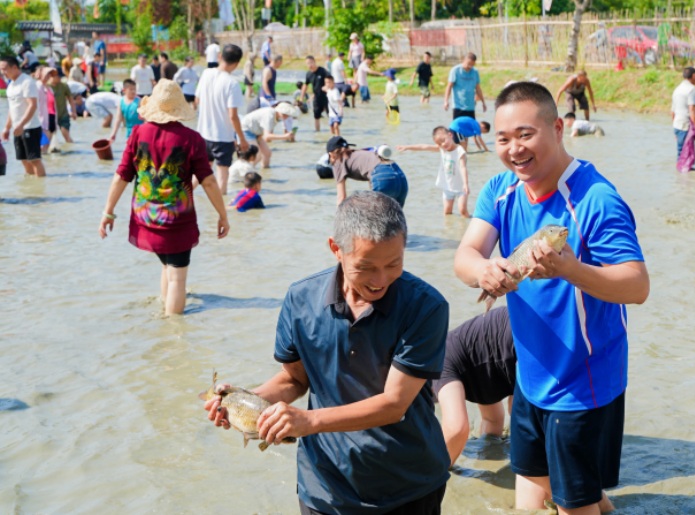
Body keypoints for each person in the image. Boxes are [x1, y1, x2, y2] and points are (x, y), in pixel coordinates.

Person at [454, 81, 649, 513]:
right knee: (531, 502)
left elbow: (637, 285)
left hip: (585, 385)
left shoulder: (596, 199)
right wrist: (486, 272)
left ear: (557, 129)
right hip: (530, 377)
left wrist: (569, 269)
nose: (514, 149)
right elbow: (465, 256)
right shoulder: (500, 190)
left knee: (572, 505)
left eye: (526, 134)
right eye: (503, 139)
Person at [203, 190, 451, 514]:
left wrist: (309, 420)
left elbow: (394, 405)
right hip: (324, 487)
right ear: (336, 249)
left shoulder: (426, 307)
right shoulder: (301, 299)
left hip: (407, 485)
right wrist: (244, 402)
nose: (380, 280)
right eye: (365, 267)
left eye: (394, 263)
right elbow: (294, 380)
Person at [99, 80, 229, 315]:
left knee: (167, 267)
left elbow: (121, 176)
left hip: (146, 216)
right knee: (178, 278)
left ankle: (163, 311)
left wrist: (108, 212)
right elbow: (208, 181)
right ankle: (173, 335)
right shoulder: (191, 139)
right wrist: (223, 215)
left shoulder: (138, 133)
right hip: (177, 220)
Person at [433, 306, 515, 467]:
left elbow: (456, 428)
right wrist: (488, 451)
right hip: (515, 329)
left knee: (521, 415)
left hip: (517, 334)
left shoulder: (437, 368)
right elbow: (492, 419)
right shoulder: (473, 368)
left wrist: (436, 471)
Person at [195, 43, 249, 194]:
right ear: (237, 63)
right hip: (222, 137)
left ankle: (178, 201)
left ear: (220, 57)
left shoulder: (206, 73)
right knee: (222, 178)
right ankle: (220, 214)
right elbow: (233, 116)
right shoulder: (232, 84)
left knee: (199, 174)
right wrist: (242, 139)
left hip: (203, 134)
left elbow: (197, 101)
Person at [396, 125, 470, 216]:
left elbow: (463, 167)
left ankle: (470, 221)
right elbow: (423, 147)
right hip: (447, 187)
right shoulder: (442, 149)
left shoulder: (459, 150)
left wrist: (466, 184)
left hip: (461, 187)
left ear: (450, 135)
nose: (442, 144)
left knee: (462, 210)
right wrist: (407, 147)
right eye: (439, 144)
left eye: (443, 140)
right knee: (447, 212)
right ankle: (450, 229)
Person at [328, 136, 408, 207]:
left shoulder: (338, 161)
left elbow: (341, 198)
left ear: (331, 154)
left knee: (376, 220)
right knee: (396, 220)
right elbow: (373, 173)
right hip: (399, 175)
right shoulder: (362, 152)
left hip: (381, 176)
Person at [1, 56, 46, 177]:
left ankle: (41, 188)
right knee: (24, 160)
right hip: (17, 129)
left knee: (34, 159)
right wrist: (6, 128)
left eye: (5, 69)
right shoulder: (10, 86)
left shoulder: (27, 82)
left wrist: (21, 124)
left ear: (14, 67)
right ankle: (31, 189)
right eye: (1, 69)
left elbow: (32, 105)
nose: (2, 72)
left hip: (30, 127)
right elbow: (12, 109)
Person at [239, 103, 300, 168]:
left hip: (256, 132)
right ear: (278, 110)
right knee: (257, 155)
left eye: (287, 115)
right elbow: (267, 137)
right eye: (284, 114)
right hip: (246, 130)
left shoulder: (275, 116)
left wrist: (259, 139)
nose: (285, 116)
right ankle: (247, 172)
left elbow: (263, 132)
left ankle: (264, 172)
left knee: (267, 153)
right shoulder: (270, 115)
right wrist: (285, 136)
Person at [671, 66, 695, 173]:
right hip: (685, 125)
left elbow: (672, 111)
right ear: (694, 76)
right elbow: (692, 109)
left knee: (681, 153)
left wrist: (674, 126)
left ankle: (680, 177)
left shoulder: (677, 89)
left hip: (677, 125)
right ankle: (684, 180)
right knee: (685, 154)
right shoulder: (691, 89)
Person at [444, 53, 486, 120]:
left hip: (471, 107)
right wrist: (446, 101)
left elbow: (478, 88)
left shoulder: (475, 72)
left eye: (472, 65)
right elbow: (449, 86)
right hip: (458, 107)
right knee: (457, 129)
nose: (470, 66)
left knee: (470, 129)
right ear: (463, 60)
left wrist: (483, 102)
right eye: (468, 64)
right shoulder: (455, 70)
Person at [300, 55, 331, 132]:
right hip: (316, 98)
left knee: (330, 115)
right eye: (308, 63)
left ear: (314, 62)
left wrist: (327, 87)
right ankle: (317, 132)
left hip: (326, 97)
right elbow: (305, 85)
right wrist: (301, 97)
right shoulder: (308, 74)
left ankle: (332, 132)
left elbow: (330, 80)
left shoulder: (322, 71)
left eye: (311, 63)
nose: (310, 65)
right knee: (316, 116)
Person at [47, 69, 76, 143]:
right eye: (58, 77)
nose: (60, 79)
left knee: (66, 135)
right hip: (51, 115)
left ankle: (72, 150)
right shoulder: (46, 87)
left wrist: (74, 112)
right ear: (51, 76)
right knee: (50, 139)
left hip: (63, 114)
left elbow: (71, 100)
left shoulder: (64, 86)